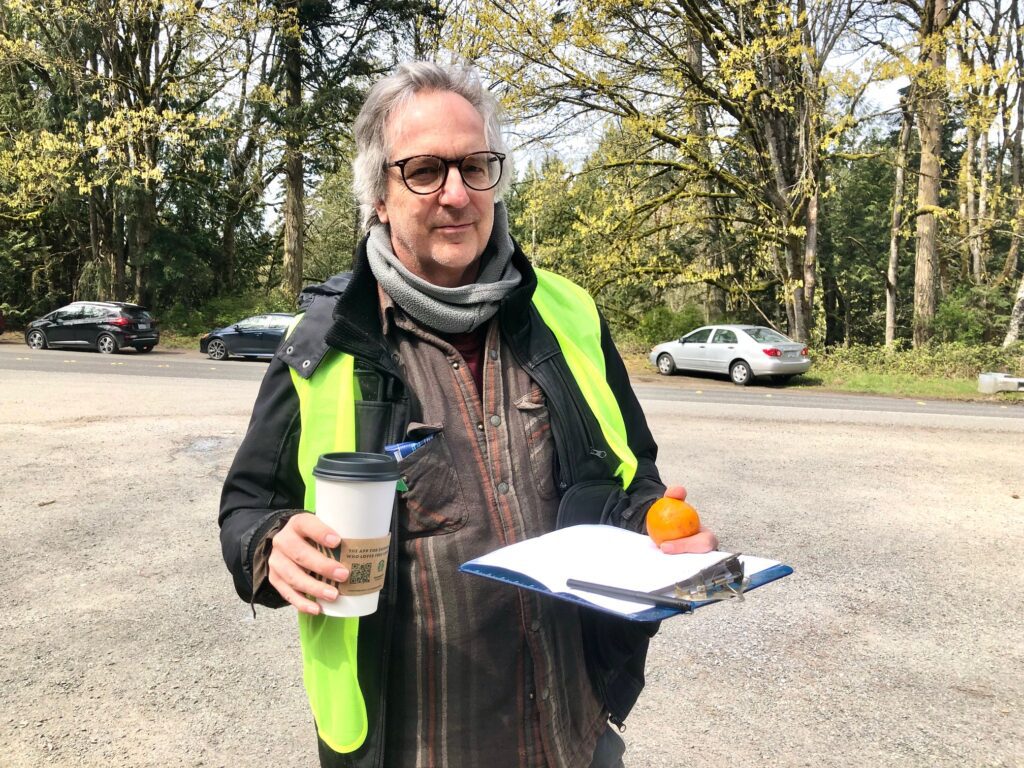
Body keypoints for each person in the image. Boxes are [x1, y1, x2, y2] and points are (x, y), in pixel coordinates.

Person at [219, 61, 717, 768]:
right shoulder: (321, 348)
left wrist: (657, 534)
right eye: (424, 170)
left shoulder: (568, 316)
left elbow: (631, 479)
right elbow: (247, 510)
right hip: (413, 749)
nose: (456, 194)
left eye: (476, 166)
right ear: (380, 197)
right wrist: (272, 548)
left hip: (574, 736)